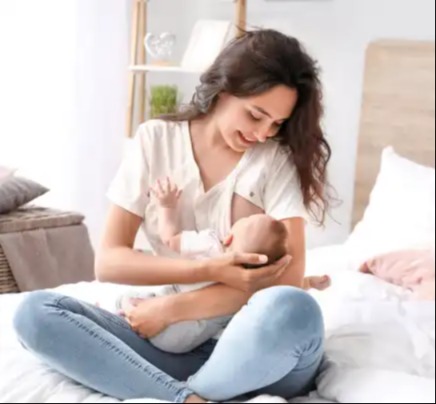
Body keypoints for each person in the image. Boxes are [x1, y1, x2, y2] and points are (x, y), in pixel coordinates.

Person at [13, 29, 332, 403]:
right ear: (225, 88)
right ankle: (190, 398)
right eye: (256, 115)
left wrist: (173, 308)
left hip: (254, 351)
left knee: (293, 309)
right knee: (36, 313)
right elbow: (111, 262)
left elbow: (288, 281)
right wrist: (207, 271)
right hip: (165, 346)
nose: (263, 133)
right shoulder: (155, 140)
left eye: (277, 123)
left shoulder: (274, 161)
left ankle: (170, 390)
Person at [116, 177, 331, 354]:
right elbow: (284, 290)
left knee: (127, 299)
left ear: (228, 238)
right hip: (191, 338)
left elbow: (170, 238)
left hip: (172, 316)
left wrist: (167, 206)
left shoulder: (211, 244)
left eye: (245, 221)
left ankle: (123, 312)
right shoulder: (259, 280)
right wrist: (311, 281)